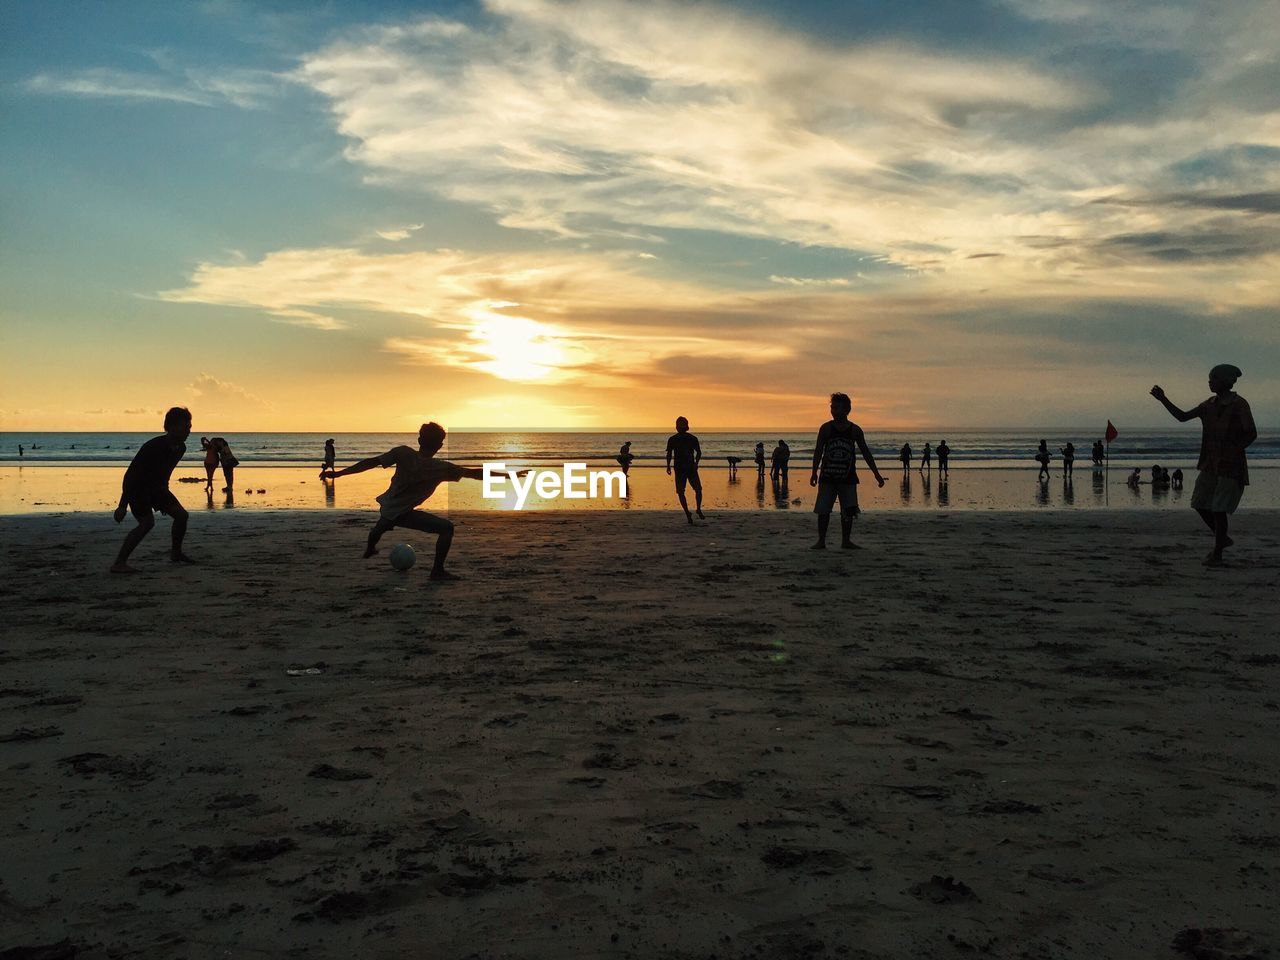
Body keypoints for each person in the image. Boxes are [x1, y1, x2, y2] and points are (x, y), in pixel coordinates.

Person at [322, 422, 522, 580]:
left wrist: (338, 474)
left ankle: (370, 548)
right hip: (402, 511)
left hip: (390, 507)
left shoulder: (403, 453)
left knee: (380, 528)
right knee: (446, 529)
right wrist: (510, 475)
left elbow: (369, 463)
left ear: (419, 439)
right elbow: (476, 474)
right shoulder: (440, 467)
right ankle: (437, 571)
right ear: (440, 445)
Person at [1151, 365, 1257, 566]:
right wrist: (1163, 399)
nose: (1210, 382)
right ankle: (1222, 538)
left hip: (1230, 465)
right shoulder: (1208, 405)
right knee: (1199, 502)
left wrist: (1233, 449)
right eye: (1209, 378)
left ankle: (1217, 553)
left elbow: (1251, 433)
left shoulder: (1239, 404)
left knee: (1219, 509)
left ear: (1225, 381)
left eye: (1214, 378)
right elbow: (1182, 417)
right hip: (1209, 463)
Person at [111, 407, 195, 573]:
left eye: (189, 426)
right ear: (171, 426)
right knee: (147, 523)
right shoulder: (153, 446)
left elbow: (165, 472)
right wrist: (122, 505)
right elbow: (131, 475)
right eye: (185, 426)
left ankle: (176, 553)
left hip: (159, 489)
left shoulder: (181, 448)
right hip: (138, 489)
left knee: (181, 515)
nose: (188, 430)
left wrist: (164, 498)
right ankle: (119, 563)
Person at [810, 392, 886, 549]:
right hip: (827, 476)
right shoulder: (825, 428)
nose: (832, 410)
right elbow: (818, 451)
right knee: (823, 510)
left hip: (848, 477)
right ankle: (821, 541)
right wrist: (814, 472)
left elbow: (865, 452)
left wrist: (876, 474)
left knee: (848, 510)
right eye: (831, 407)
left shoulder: (855, 430)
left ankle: (846, 541)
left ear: (846, 409)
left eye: (836, 408)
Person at [666, 416, 703, 524]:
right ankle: (688, 512)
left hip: (689, 467)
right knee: (683, 491)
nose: (681, 427)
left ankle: (696, 510)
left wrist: (696, 463)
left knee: (696, 489)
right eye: (680, 425)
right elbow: (669, 454)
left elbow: (698, 452)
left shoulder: (691, 438)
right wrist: (668, 466)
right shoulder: (674, 439)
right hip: (681, 468)